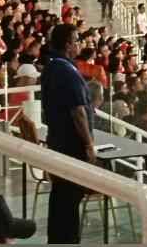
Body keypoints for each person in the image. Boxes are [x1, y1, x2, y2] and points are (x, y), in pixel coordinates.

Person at [40, 24, 96, 244]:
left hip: (59, 142)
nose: (79, 44)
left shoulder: (54, 66)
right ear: (68, 44)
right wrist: (90, 144)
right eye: (76, 40)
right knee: (69, 199)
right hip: (70, 147)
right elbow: (78, 112)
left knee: (62, 198)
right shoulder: (65, 70)